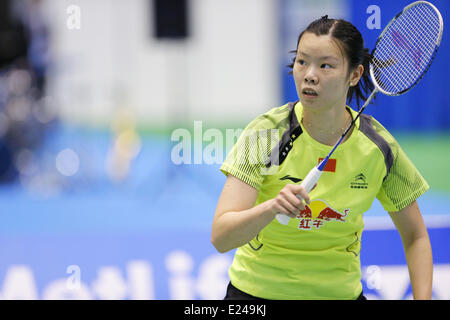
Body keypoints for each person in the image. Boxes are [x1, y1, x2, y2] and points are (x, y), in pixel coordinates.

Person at [211, 15, 433, 300]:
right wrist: (271, 208)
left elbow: (416, 236)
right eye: (302, 62)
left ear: (354, 75)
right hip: (257, 295)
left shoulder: (377, 147)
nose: (309, 74)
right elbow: (221, 237)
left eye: (325, 65)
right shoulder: (267, 133)